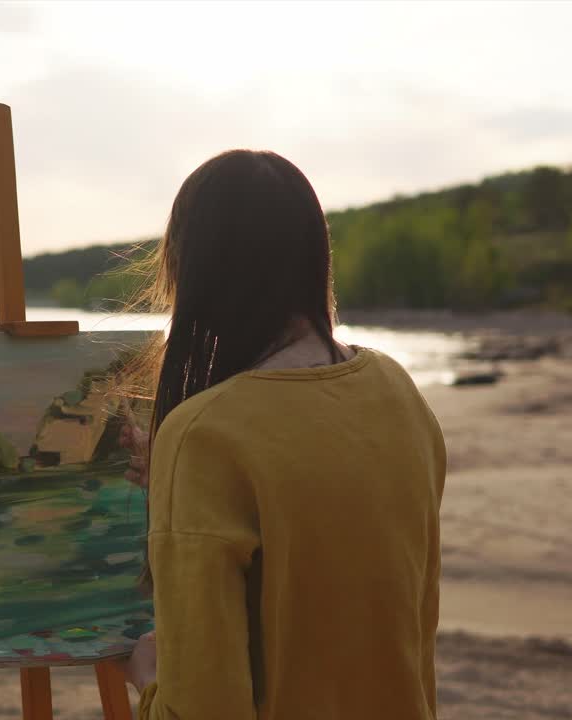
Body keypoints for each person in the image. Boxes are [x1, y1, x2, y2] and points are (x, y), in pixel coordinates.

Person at [116, 150, 446, 719]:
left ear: (194, 272)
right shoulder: (397, 390)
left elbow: (202, 709)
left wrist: (147, 678)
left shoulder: (206, 435)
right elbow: (332, 548)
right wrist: (176, 486)